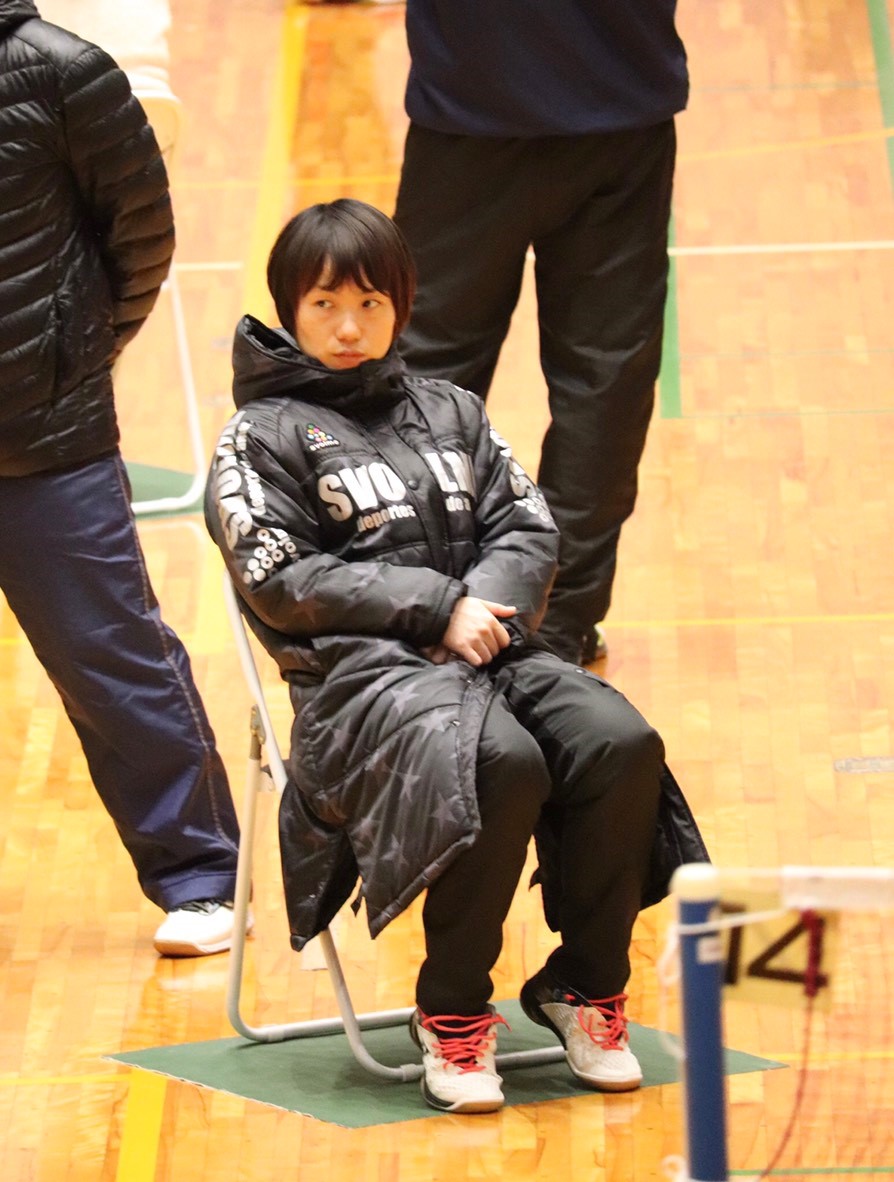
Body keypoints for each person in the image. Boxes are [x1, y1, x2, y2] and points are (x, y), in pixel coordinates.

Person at [205, 198, 707, 1113]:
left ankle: (584, 987)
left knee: (619, 742)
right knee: (500, 761)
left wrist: (478, 609)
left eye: (369, 304)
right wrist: (439, 609)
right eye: (324, 305)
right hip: (358, 686)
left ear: (401, 305)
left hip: (493, 652)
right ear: (289, 310)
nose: (348, 328)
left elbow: (528, 527)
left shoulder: (451, 410)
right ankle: (451, 1011)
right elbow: (282, 578)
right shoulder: (258, 437)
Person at [0, 0, 243, 957]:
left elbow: (140, 236)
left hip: (48, 440)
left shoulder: (64, 71)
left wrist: (76, 358)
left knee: (111, 660)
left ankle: (205, 877)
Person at [392, 0, 689, 667]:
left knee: (427, 379)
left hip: (472, 107)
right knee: (604, 384)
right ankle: (558, 629)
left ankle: (427, 617)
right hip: (619, 93)